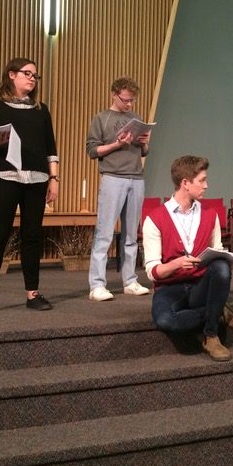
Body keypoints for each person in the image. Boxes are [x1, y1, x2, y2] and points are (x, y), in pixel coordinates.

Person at [0, 57, 59, 317]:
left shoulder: (40, 109)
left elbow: (50, 148)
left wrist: (53, 179)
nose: (32, 78)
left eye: (35, 75)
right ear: (11, 74)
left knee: (32, 237)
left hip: (37, 179)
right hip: (5, 177)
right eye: (27, 73)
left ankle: (32, 294)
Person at [143, 155, 233, 362]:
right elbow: (152, 271)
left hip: (199, 285)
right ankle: (217, 313)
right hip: (169, 288)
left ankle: (211, 335)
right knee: (166, 320)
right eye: (201, 180)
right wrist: (175, 264)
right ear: (185, 183)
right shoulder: (154, 219)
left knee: (221, 265)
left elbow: (217, 250)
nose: (206, 185)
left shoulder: (210, 215)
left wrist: (218, 256)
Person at [86, 76, 151, 301]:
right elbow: (93, 151)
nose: (129, 105)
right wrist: (117, 143)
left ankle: (130, 280)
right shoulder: (102, 118)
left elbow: (144, 152)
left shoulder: (135, 118)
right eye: (125, 100)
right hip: (113, 177)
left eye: (132, 100)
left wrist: (144, 142)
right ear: (114, 94)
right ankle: (96, 285)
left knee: (131, 234)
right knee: (104, 234)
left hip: (136, 177)